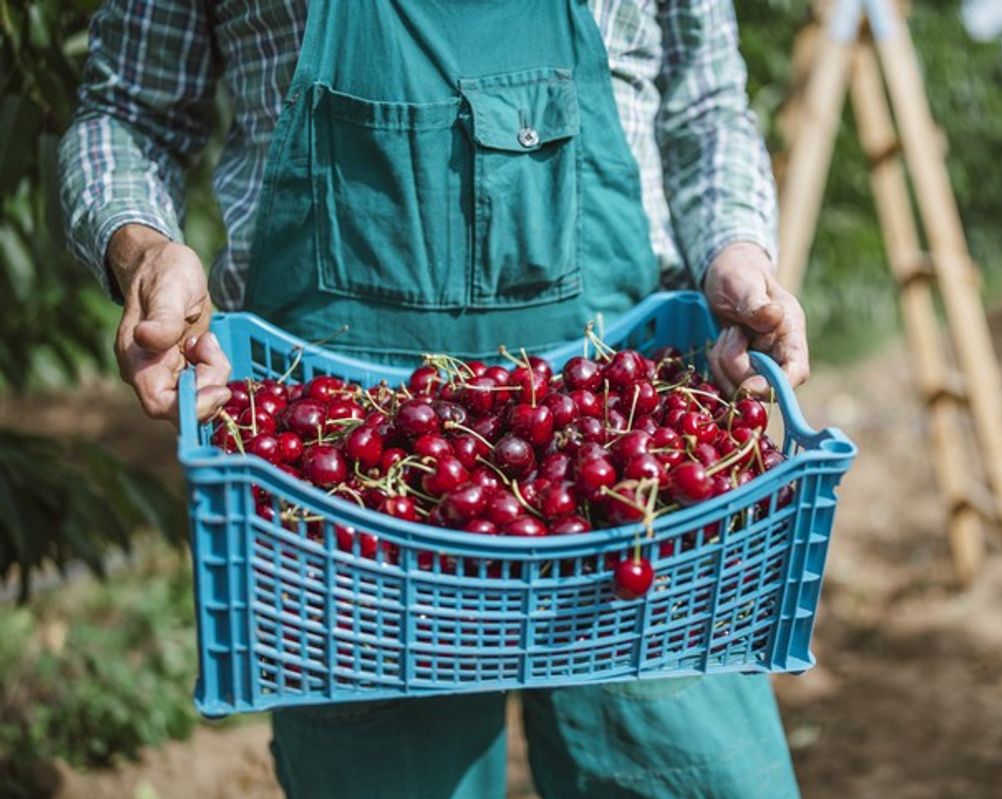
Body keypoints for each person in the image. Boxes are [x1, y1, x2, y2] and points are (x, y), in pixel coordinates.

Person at [60, 2, 811, 797]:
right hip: (345, 506)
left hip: (632, 467)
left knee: (684, 767)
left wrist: (735, 245)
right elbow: (125, 112)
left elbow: (704, 101)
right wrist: (141, 247)